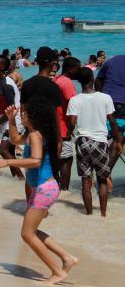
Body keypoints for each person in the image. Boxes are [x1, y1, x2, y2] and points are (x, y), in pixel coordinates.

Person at [0, 101, 78, 285]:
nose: (21, 115)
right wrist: (11, 120)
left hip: (44, 189)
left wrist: (8, 162)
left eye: (23, 113)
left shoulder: (35, 136)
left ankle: (57, 271)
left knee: (27, 234)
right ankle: (67, 259)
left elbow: (35, 161)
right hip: (43, 189)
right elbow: (15, 139)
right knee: (32, 231)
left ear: (33, 117)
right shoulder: (32, 134)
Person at [68, 68, 121, 216]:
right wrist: (118, 140)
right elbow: (112, 121)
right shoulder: (105, 98)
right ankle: (103, 214)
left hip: (82, 141)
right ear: (92, 78)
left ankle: (89, 214)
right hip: (100, 142)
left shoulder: (74, 100)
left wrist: (68, 133)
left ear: (79, 81)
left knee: (86, 180)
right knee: (102, 179)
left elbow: (72, 122)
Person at [20, 47, 65, 185]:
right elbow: (56, 115)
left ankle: (30, 205)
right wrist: (59, 139)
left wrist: (28, 133)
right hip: (49, 135)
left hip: (32, 134)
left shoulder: (27, 84)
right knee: (49, 173)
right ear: (52, 63)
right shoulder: (53, 87)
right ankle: (43, 205)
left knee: (31, 174)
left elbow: (23, 112)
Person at [0, 55, 25, 180]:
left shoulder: (6, 85)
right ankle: (16, 179)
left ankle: (21, 178)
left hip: (14, 121)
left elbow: (11, 109)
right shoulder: (2, 82)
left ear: (2, 67)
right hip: (10, 120)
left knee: (2, 150)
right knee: (10, 152)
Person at [95, 54, 125, 179]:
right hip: (123, 103)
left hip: (106, 103)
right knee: (120, 137)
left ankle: (97, 172)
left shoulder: (112, 60)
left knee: (103, 135)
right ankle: (106, 172)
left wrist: (102, 96)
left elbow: (97, 80)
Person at [53, 57, 80, 190]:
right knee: (66, 160)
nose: (79, 72)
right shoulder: (68, 83)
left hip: (54, 127)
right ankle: (64, 190)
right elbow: (72, 108)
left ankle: (54, 188)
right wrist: (71, 129)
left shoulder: (56, 79)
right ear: (71, 69)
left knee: (56, 160)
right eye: (77, 68)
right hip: (63, 129)